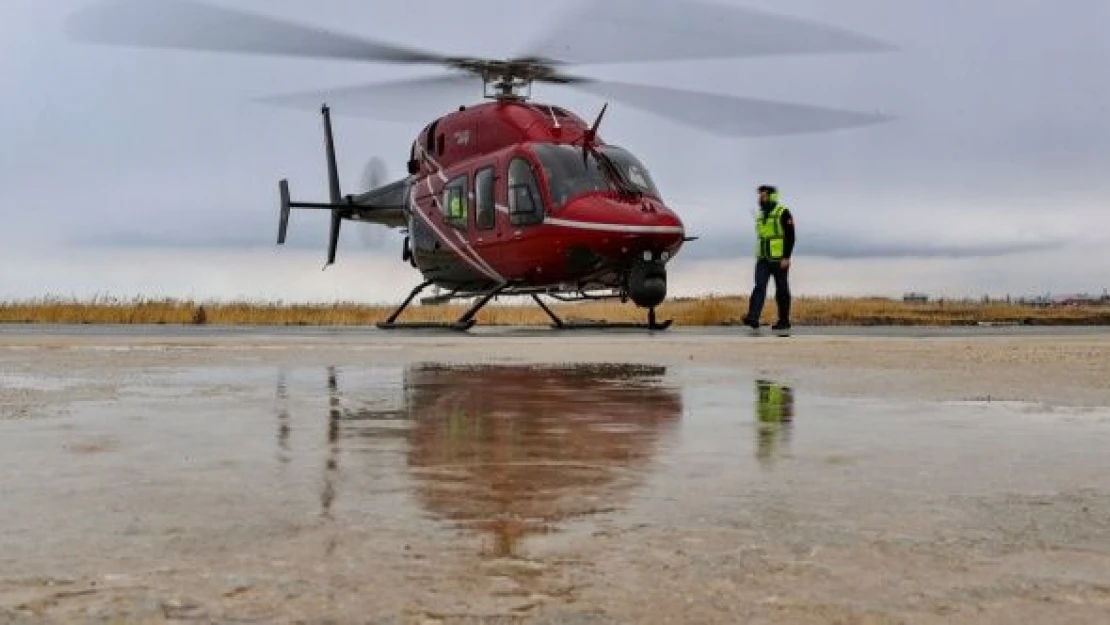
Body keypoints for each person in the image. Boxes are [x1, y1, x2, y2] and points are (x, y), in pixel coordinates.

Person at [742, 184, 794, 330]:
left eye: (763, 195)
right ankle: (753, 318)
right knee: (759, 287)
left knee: (782, 290)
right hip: (763, 258)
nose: (760, 198)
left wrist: (786, 257)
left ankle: (784, 321)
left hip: (779, 258)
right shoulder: (760, 215)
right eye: (759, 195)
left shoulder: (783, 212)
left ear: (771, 196)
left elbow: (790, 236)